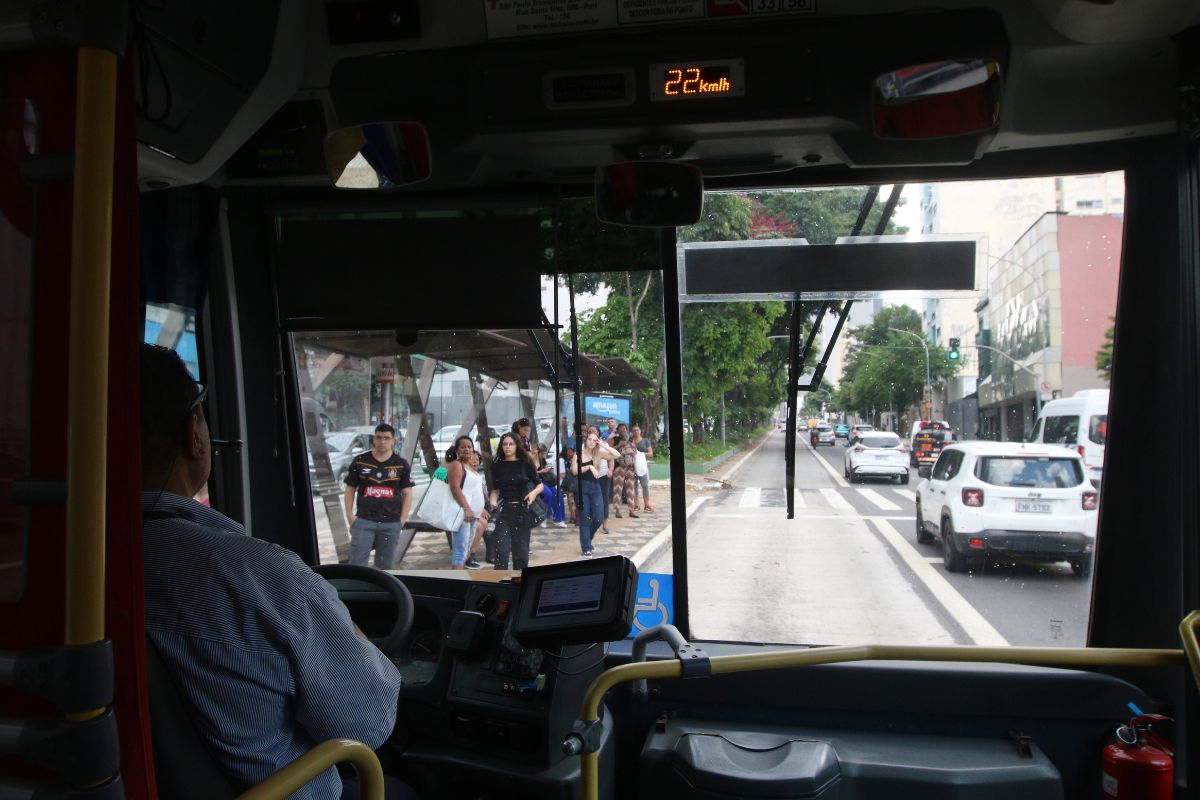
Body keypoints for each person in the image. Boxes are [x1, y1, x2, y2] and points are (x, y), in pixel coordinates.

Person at [139, 344, 411, 799]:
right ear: (195, 435)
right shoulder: (256, 574)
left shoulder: (69, 566)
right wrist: (353, 635)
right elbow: (369, 722)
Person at [343, 423, 415, 568]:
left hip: (391, 524)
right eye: (379, 437)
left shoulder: (401, 464)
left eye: (387, 438)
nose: (382, 441)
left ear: (393, 440)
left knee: (386, 568)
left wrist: (402, 520)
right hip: (364, 521)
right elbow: (350, 489)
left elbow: (407, 493)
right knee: (357, 565)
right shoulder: (360, 461)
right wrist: (350, 516)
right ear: (374, 439)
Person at [488, 432, 543, 570]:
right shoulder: (497, 466)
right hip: (503, 512)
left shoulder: (525, 464)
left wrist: (533, 493)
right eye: (505, 444)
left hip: (522, 512)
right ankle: (500, 585)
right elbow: (495, 490)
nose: (507, 447)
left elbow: (540, 485)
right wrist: (492, 504)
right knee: (501, 551)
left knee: (521, 554)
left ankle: (519, 585)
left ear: (516, 446)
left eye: (511, 444)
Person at [572, 429, 620, 558]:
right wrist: (589, 467)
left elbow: (617, 455)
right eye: (589, 439)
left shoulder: (599, 453)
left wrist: (604, 445)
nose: (592, 442)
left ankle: (587, 538)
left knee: (598, 517)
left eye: (595, 440)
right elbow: (574, 471)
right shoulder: (579, 454)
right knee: (585, 518)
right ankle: (587, 547)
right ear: (586, 440)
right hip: (582, 488)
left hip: (595, 487)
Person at [446, 435, 488, 570]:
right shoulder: (457, 465)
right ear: (457, 450)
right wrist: (466, 508)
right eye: (463, 447)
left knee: (466, 551)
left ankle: (460, 579)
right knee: (460, 551)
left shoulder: (469, 467)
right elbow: (455, 488)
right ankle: (456, 582)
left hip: (474, 515)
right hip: (464, 514)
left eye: (469, 447)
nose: (467, 449)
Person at [610, 432, 638, 518]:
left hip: (630, 469)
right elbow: (617, 457)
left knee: (630, 490)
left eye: (627, 436)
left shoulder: (632, 445)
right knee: (618, 490)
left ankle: (631, 510)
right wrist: (624, 464)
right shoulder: (619, 445)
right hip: (620, 469)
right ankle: (617, 510)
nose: (626, 438)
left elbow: (635, 456)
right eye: (624, 436)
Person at [630, 424, 654, 513]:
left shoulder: (645, 441)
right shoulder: (630, 441)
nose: (636, 431)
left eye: (637, 430)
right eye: (634, 430)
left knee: (645, 486)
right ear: (632, 432)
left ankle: (647, 505)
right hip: (632, 467)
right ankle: (636, 505)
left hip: (642, 467)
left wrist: (641, 455)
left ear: (640, 431)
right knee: (634, 487)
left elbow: (651, 453)